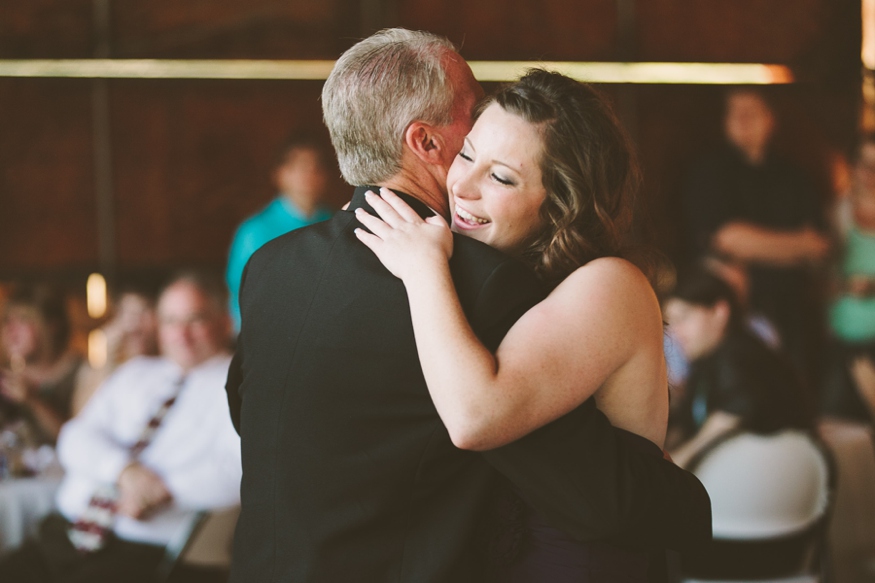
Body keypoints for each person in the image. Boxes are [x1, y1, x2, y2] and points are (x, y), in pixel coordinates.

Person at [226, 29, 710, 583]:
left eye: (502, 173)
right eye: (473, 124)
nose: (466, 182)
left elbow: (252, 413)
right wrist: (685, 502)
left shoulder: (270, 266)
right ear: (428, 144)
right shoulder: (484, 286)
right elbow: (598, 496)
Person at [0, 272, 242, 583]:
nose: (181, 334)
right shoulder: (136, 372)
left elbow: (239, 470)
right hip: (64, 530)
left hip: (143, 552)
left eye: (195, 320)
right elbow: (75, 436)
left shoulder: (243, 387)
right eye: (170, 321)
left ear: (224, 322)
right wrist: (125, 472)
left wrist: (159, 491)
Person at [682, 88, 829, 379]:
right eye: (734, 111)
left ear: (771, 119)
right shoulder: (709, 172)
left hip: (792, 316)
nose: (742, 119)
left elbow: (819, 246)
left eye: (752, 111)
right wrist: (794, 248)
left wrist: (754, 244)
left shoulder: (794, 176)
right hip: (732, 315)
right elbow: (728, 239)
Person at [663, 267, 813, 468]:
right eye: (670, 322)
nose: (675, 331)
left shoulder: (738, 355)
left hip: (779, 473)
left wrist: (672, 464)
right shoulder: (706, 361)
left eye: (683, 318)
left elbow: (724, 421)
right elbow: (688, 427)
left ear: (719, 312)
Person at [225, 134, 333, 330]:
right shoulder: (254, 231)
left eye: (316, 167)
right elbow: (240, 293)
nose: (309, 174)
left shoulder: (336, 223)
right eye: (300, 167)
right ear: (279, 174)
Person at [821, 134, 875, 423]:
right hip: (843, 345)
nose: (871, 174)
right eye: (865, 164)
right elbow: (817, 282)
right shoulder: (836, 214)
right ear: (852, 167)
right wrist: (845, 286)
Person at [0, 284, 82, 448]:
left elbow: (82, 442)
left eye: (23, 319)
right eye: (8, 320)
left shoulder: (82, 373)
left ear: (52, 325)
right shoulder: (5, 376)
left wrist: (33, 401)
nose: (11, 330)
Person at [72, 284, 159, 415]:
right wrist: (107, 365)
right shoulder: (97, 366)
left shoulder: (169, 365)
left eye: (144, 312)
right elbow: (81, 416)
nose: (135, 321)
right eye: (128, 313)